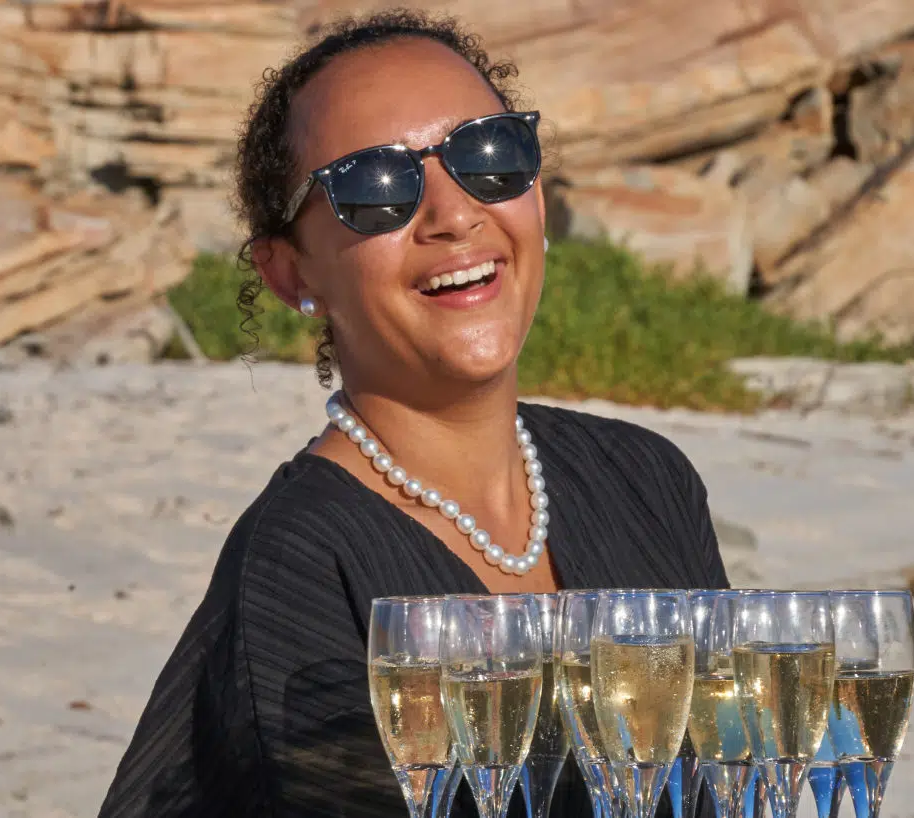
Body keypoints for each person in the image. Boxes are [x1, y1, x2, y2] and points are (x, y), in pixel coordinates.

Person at [99, 8, 729, 817]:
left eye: (489, 155)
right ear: (290, 273)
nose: (455, 215)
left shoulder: (643, 481)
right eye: (374, 187)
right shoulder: (301, 568)